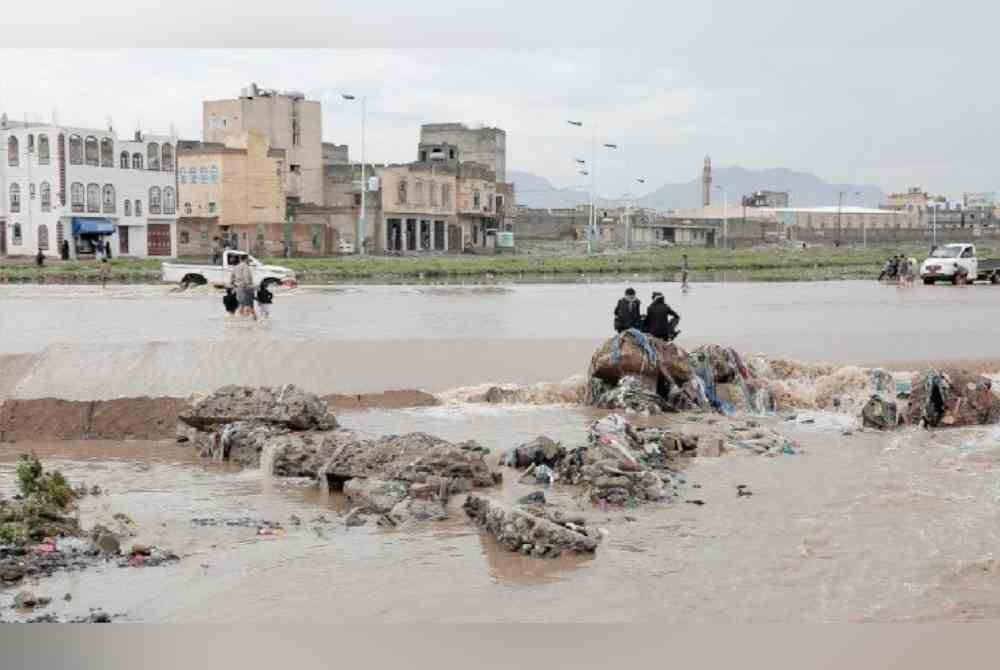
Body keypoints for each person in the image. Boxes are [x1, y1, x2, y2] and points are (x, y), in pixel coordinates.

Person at [232, 254, 256, 320]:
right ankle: (254, 319)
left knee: (241, 304)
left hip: (238, 287)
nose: (249, 260)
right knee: (250, 304)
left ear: (240, 259)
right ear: (246, 259)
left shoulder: (236, 267)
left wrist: (235, 286)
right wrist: (249, 286)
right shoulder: (246, 267)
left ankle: (240, 319)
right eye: (248, 259)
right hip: (246, 287)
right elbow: (246, 277)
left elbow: (232, 278)